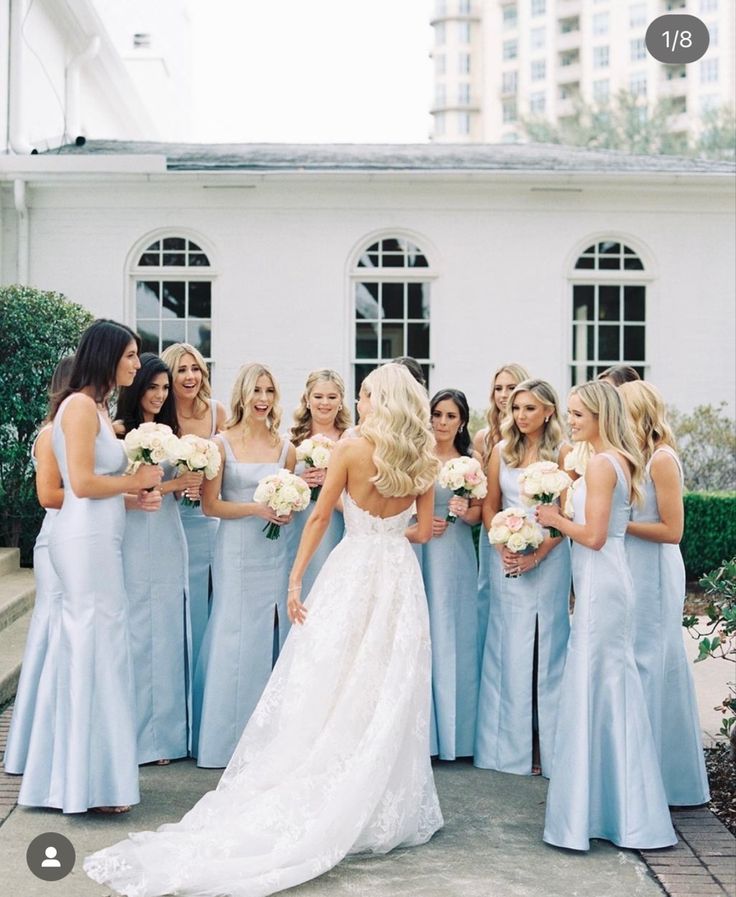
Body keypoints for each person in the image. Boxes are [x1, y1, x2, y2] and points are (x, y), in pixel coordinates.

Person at [85, 363, 443, 897]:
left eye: (366, 394)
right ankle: (379, 795)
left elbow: (320, 519)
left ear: (382, 400)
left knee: (334, 676)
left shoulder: (349, 448)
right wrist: (391, 535)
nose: (361, 403)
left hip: (353, 570)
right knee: (387, 683)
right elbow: (420, 531)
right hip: (399, 577)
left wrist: (296, 579)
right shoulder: (424, 459)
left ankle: (329, 775)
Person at [18, 320, 163, 814]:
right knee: (92, 649)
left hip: (100, 535)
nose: (137, 366)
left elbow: (97, 487)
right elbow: (79, 485)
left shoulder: (97, 409)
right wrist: (133, 480)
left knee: (101, 648)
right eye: (129, 356)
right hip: (82, 543)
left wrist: (131, 498)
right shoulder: (79, 407)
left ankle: (89, 778)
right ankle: (87, 786)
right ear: (104, 357)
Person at [537, 380, 676, 851]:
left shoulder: (600, 463)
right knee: (607, 685)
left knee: (600, 684)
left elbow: (594, 536)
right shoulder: (617, 458)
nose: (571, 421)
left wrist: (555, 521)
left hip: (601, 582)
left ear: (600, 416)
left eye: (578, 414)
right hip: (607, 579)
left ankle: (604, 812)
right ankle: (616, 810)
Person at [192, 363, 296, 768]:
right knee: (233, 632)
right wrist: (257, 508)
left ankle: (267, 742)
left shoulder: (285, 448)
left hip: (274, 551)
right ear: (242, 395)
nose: (263, 399)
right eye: (256, 391)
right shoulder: (220, 444)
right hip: (235, 549)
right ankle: (223, 739)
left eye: (269, 391)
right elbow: (210, 504)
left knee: (271, 634)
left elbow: (295, 496)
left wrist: (285, 509)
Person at [475, 379, 572, 777]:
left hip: (549, 557)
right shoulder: (501, 451)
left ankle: (549, 749)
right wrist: (502, 545)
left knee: (547, 649)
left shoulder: (564, 453)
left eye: (530, 408)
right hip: (507, 557)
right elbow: (489, 506)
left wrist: (538, 555)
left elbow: (568, 515)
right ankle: (504, 750)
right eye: (516, 408)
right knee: (507, 648)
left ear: (548, 411)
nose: (520, 416)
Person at [620, 380, 710, 806]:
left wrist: (620, 525)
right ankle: (638, 768)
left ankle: (662, 777)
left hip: (654, 570)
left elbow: (673, 531)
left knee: (654, 661)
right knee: (636, 662)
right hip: (631, 567)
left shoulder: (662, 459)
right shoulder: (632, 458)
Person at [116, 354, 204, 766]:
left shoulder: (174, 435)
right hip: (133, 533)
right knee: (135, 630)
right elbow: (120, 489)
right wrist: (171, 485)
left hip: (168, 533)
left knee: (168, 630)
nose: (159, 395)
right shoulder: (118, 432)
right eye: (152, 387)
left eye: (164, 388)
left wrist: (187, 486)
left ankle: (164, 738)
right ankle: (132, 737)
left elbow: (173, 487)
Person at [4, 355, 74, 775]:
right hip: (55, 542)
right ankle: (32, 741)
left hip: (76, 540)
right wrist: (105, 493)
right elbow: (49, 496)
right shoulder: (50, 435)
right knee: (50, 632)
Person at [420, 388, 481, 759]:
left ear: (461, 423)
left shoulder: (469, 462)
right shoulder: (416, 456)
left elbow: (478, 515)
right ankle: (423, 735)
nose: (442, 423)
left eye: (451, 417)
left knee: (451, 630)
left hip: (454, 553)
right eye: (438, 415)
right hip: (419, 548)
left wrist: (463, 510)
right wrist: (418, 519)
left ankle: (457, 736)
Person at [161, 343, 226, 687]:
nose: (190, 377)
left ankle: (204, 679)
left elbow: (233, 466)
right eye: (182, 370)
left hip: (208, 521)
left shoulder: (218, 413)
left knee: (208, 602)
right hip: (170, 521)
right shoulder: (160, 415)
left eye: (196, 368)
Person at [472, 363, 530, 670]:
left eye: (511, 388)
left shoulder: (540, 437)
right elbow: (482, 494)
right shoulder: (485, 437)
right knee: (490, 598)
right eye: (499, 388)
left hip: (530, 529)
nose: (504, 395)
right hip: (494, 530)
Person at [287, 369, 352, 596]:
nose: (325, 403)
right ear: (307, 399)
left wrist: (329, 487)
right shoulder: (291, 440)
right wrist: (298, 483)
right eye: (318, 397)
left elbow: (359, 498)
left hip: (336, 526)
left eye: (332, 397)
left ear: (341, 402)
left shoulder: (351, 440)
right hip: (297, 527)